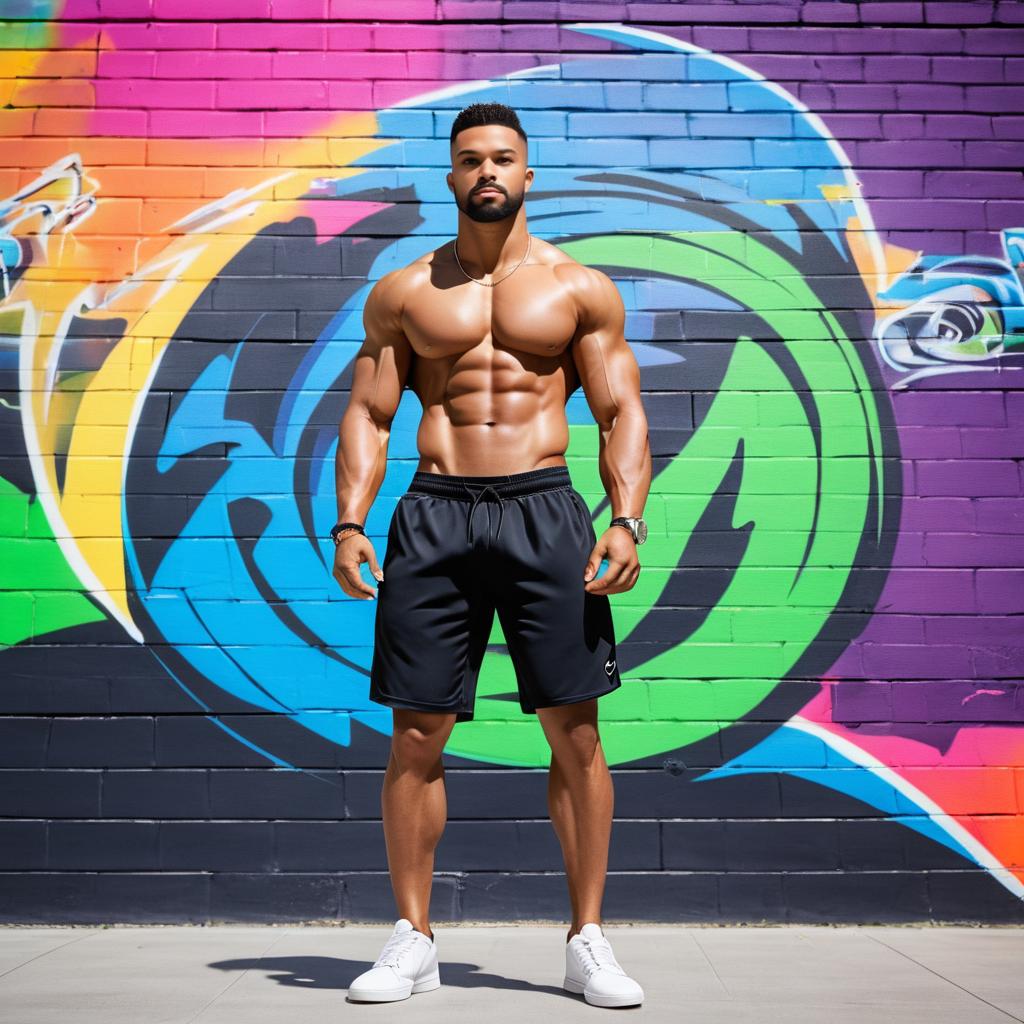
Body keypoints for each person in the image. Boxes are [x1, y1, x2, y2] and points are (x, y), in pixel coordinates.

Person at [331, 101, 652, 1008]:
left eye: (503, 158)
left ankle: (588, 939)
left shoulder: (577, 288)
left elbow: (622, 409)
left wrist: (624, 519)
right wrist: (350, 523)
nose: (487, 173)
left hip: (545, 511)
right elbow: (370, 412)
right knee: (416, 733)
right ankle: (413, 938)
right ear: (450, 175)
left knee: (575, 731)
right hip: (434, 513)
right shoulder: (403, 292)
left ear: (528, 174)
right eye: (470, 158)